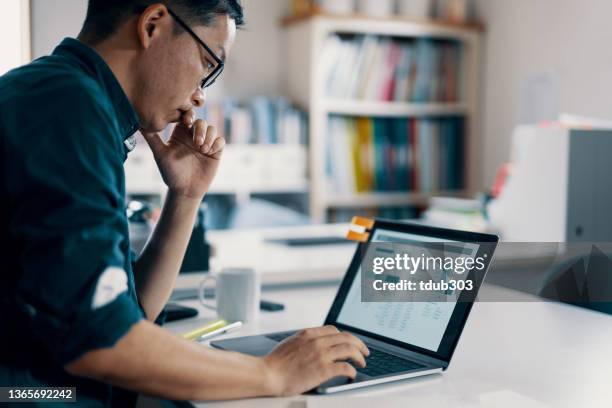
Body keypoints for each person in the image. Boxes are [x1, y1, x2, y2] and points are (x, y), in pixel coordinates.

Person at [0, 1, 369, 405]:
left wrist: (186, 195)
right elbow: (102, 341)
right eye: (209, 63)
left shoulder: (71, 99)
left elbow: (127, 315)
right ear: (153, 24)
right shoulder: (67, 109)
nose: (199, 96)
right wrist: (272, 372)